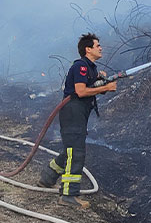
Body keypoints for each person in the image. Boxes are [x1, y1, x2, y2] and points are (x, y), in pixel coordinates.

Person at [40, 33, 116, 208]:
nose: (100, 48)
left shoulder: (91, 68)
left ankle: (47, 177)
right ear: (88, 49)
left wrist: (100, 82)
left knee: (70, 150)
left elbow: (90, 88)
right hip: (72, 113)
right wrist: (105, 86)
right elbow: (81, 91)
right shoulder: (81, 66)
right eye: (97, 45)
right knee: (76, 154)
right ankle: (69, 195)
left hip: (78, 114)